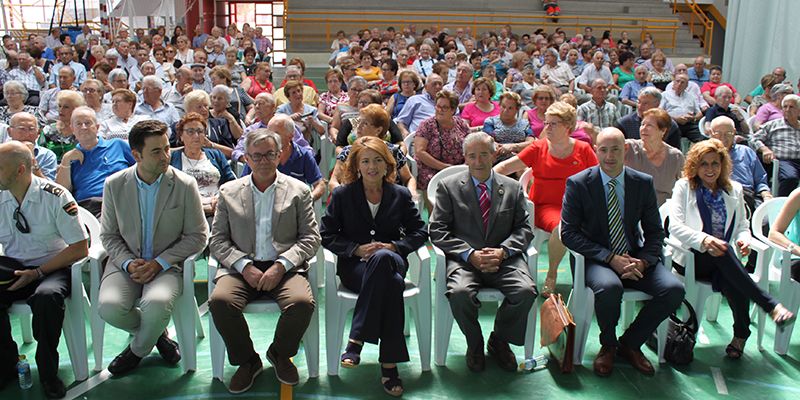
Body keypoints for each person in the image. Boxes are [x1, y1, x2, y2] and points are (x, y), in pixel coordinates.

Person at [560, 127, 685, 377]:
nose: (609, 156)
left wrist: (643, 262)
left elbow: (654, 231)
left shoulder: (642, 182)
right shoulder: (578, 183)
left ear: (625, 150)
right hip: (596, 259)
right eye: (604, 150)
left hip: (633, 257)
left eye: (615, 149)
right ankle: (608, 344)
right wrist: (609, 258)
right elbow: (569, 233)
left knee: (673, 290)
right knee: (610, 288)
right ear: (596, 151)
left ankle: (630, 343)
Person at [208, 128, 319, 391]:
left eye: (270, 154)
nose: (263, 161)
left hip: (285, 268)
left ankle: (279, 353)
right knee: (220, 302)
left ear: (280, 155)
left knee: (302, 303)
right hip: (240, 268)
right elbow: (217, 240)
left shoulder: (298, 191)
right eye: (256, 156)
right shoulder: (228, 191)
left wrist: (281, 265)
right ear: (246, 158)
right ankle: (248, 360)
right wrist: (243, 265)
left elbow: (311, 237)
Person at [97, 120, 208, 376]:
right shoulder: (114, 184)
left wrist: (160, 263)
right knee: (109, 308)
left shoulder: (184, 184)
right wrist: (127, 263)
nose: (165, 156)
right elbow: (109, 235)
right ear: (136, 155)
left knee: (156, 304)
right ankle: (158, 337)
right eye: (156, 151)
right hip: (125, 265)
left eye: (167, 148)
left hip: (167, 266)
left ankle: (136, 352)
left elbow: (198, 235)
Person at [321, 136, 426, 397]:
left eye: (378, 160)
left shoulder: (400, 194)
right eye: (366, 161)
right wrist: (355, 249)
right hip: (355, 268)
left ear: (387, 164)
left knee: (383, 259)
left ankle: (356, 339)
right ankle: (389, 365)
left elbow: (420, 232)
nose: (372, 166)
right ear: (357, 166)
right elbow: (327, 235)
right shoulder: (343, 195)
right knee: (392, 284)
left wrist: (394, 247)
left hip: (392, 260)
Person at [669, 139, 794, 359]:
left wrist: (744, 240)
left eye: (715, 164)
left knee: (733, 277)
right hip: (692, 258)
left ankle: (740, 336)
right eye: (704, 164)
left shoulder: (734, 189)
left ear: (723, 165)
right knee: (729, 260)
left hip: (724, 260)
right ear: (695, 166)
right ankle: (770, 306)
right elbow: (675, 226)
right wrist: (705, 240)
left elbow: (742, 226)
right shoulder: (684, 187)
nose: (710, 169)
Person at [429, 131, 536, 373]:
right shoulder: (449, 187)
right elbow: (437, 230)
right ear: (465, 157)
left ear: (494, 155)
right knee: (459, 293)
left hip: (504, 260)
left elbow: (524, 229)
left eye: (484, 155)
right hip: (464, 261)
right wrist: (469, 254)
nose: (478, 161)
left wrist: (503, 252)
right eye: (472, 156)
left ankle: (499, 340)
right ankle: (474, 343)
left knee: (525, 291)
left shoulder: (512, 188)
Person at [0, 141, 89, 399]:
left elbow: (80, 248)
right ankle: (6, 363)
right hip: (16, 269)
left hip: (54, 268)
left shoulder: (55, 196)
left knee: (46, 298)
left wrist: (38, 272)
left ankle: (49, 372)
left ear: (20, 170)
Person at [495, 101, 598, 295]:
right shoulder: (538, 147)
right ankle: (552, 274)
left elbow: (597, 178)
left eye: (553, 124)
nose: (547, 128)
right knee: (562, 227)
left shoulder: (583, 149)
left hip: (577, 207)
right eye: (546, 123)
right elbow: (505, 167)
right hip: (545, 206)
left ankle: (592, 277)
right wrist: (485, 182)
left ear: (567, 126)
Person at [55, 106, 135, 216]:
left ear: (97, 127)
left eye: (88, 123)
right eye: (78, 124)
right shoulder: (70, 158)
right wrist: (65, 161)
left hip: (121, 202)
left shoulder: (117, 145)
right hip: (88, 208)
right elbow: (62, 192)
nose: (83, 127)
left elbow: (141, 168)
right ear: (72, 129)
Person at [170, 112, 236, 218]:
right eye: (190, 131)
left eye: (200, 131)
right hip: (186, 211)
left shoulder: (216, 155)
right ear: (181, 136)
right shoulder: (173, 158)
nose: (196, 136)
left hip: (217, 208)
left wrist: (219, 198)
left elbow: (231, 183)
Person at [413, 90, 470, 195]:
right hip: (431, 168)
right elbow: (420, 152)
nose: (439, 110)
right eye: (438, 106)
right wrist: (444, 167)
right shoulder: (427, 125)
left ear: (453, 110)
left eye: (444, 107)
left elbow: (470, 146)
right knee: (438, 183)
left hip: (459, 168)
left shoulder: (461, 123)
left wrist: (464, 165)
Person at [624, 108, 684, 206]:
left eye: (649, 125)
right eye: (642, 124)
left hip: (664, 210)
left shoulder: (676, 156)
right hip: (632, 207)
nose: (644, 128)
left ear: (663, 131)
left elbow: (683, 186)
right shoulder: (628, 148)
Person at [748, 95, 800, 196]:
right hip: (785, 160)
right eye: (785, 107)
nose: (787, 110)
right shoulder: (773, 125)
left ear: (799, 111)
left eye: (791, 107)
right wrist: (764, 149)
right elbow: (753, 139)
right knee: (790, 178)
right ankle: (782, 204)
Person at [614, 86, 681, 149]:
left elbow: (675, 152)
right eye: (639, 102)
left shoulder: (669, 125)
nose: (640, 107)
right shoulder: (624, 124)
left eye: (645, 103)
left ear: (657, 104)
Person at [483, 92, 534, 161]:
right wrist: (503, 148)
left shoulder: (524, 124)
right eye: (503, 106)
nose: (505, 110)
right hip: (497, 157)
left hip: (520, 158)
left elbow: (531, 143)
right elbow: (488, 141)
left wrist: (513, 147)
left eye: (510, 108)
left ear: (517, 109)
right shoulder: (490, 121)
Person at [7, 112, 57, 180]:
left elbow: (48, 185)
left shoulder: (47, 155)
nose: (27, 134)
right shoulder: (2, 153)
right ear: (9, 131)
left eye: (31, 129)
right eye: (22, 129)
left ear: (38, 133)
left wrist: (33, 161)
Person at [40, 90, 85, 160]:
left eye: (66, 107)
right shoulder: (48, 130)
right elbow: (39, 154)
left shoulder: (83, 130)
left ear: (76, 109)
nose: (61, 109)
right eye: (59, 106)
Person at [661, 73, 705, 143]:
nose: (679, 84)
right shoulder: (664, 95)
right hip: (672, 123)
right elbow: (660, 112)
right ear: (673, 82)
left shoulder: (691, 97)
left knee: (703, 141)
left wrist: (693, 118)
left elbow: (699, 114)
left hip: (689, 124)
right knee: (671, 140)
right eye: (677, 81)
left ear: (686, 85)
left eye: (682, 82)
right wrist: (676, 119)